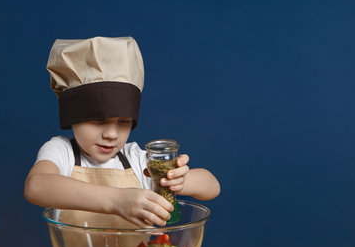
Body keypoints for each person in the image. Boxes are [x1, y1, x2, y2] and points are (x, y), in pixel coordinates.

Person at [24, 37, 220, 229]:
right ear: (72, 116)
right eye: (98, 120)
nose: (111, 134)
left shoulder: (136, 160)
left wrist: (180, 182)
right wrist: (116, 200)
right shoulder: (62, 151)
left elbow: (212, 186)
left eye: (123, 122)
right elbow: (36, 186)